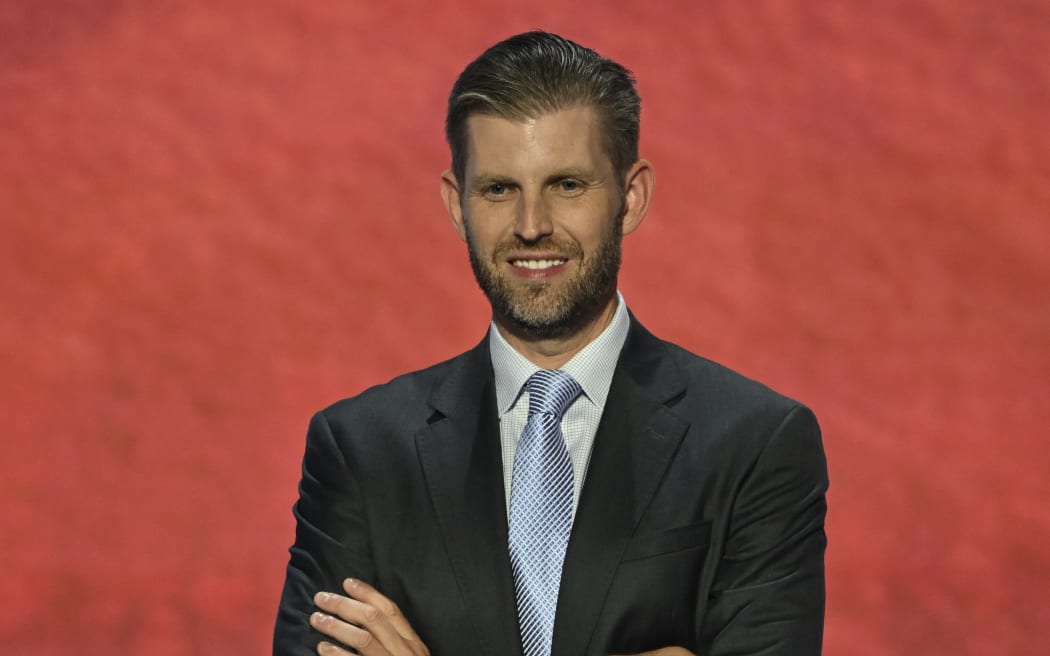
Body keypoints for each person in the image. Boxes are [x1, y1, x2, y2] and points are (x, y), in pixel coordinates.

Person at [274, 31, 828, 656]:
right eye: (499, 189)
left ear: (631, 197)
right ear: (458, 205)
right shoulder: (359, 449)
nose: (532, 226)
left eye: (566, 185)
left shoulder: (755, 443)